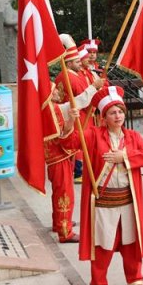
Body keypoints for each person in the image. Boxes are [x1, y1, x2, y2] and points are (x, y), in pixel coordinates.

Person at [79, 85, 143, 285]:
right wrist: (71, 117)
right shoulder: (94, 134)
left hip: (128, 201)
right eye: (113, 112)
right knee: (103, 245)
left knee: (131, 244)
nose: (118, 116)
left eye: (120, 111)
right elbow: (71, 141)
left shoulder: (132, 137)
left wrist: (124, 156)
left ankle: (135, 280)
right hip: (104, 202)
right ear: (104, 117)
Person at [55, 44, 105, 182]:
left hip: (83, 113)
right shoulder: (67, 77)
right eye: (77, 62)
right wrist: (94, 88)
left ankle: (82, 169)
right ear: (69, 63)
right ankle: (77, 171)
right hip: (75, 115)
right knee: (77, 141)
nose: (81, 64)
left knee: (83, 141)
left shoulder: (75, 75)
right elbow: (79, 99)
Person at [44, 83, 81, 243]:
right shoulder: (51, 110)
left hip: (56, 158)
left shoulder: (49, 109)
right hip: (59, 157)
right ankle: (65, 232)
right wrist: (72, 121)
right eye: (54, 89)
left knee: (59, 193)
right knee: (65, 194)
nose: (58, 91)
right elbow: (62, 135)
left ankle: (58, 223)